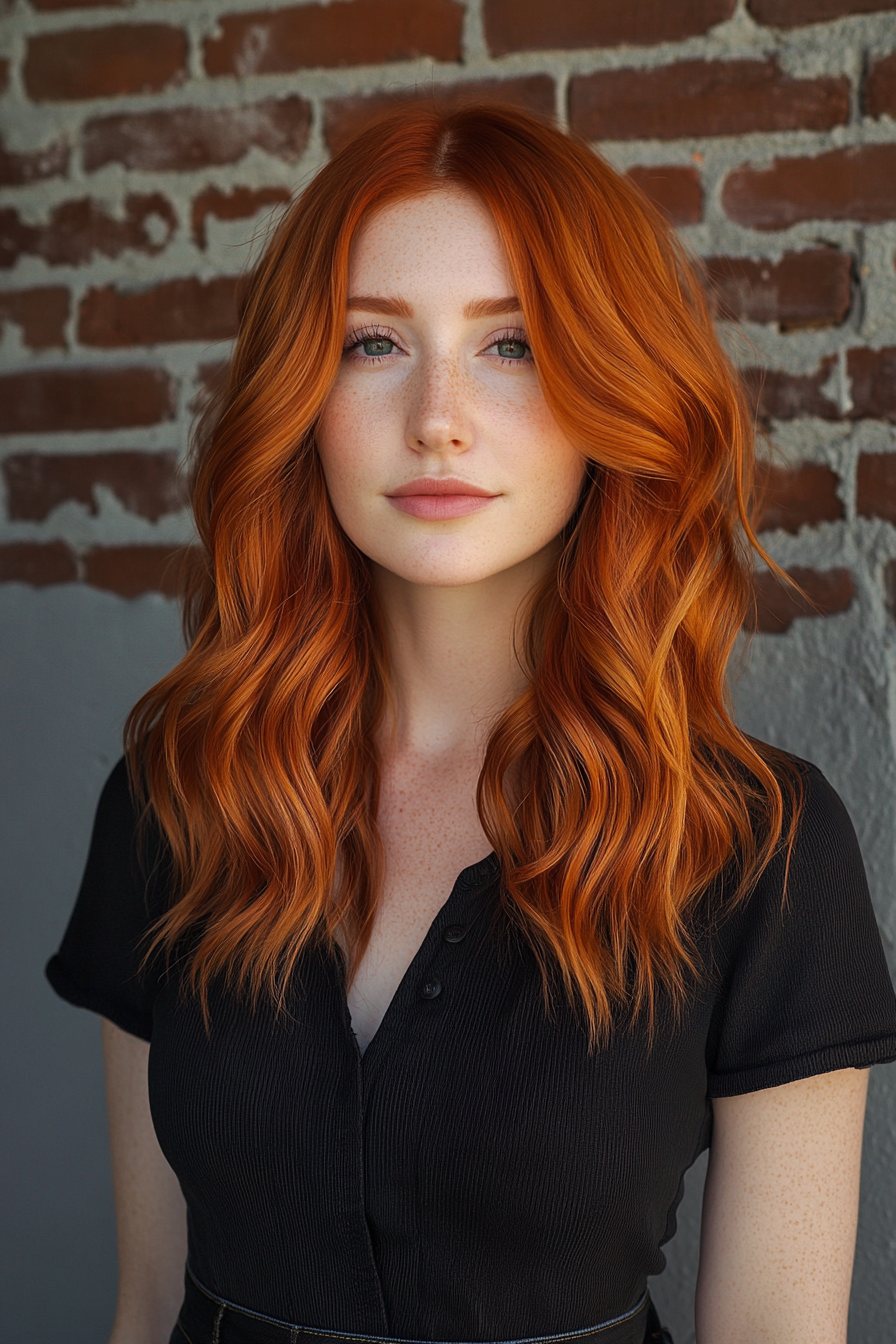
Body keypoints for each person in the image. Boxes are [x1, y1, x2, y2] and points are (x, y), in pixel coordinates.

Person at [46, 103, 896, 1344]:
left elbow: (774, 1324)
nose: (437, 415)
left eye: (513, 346)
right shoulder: (175, 795)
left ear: (612, 389)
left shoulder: (759, 845)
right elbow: (147, 1301)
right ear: (300, 394)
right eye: (373, 343)